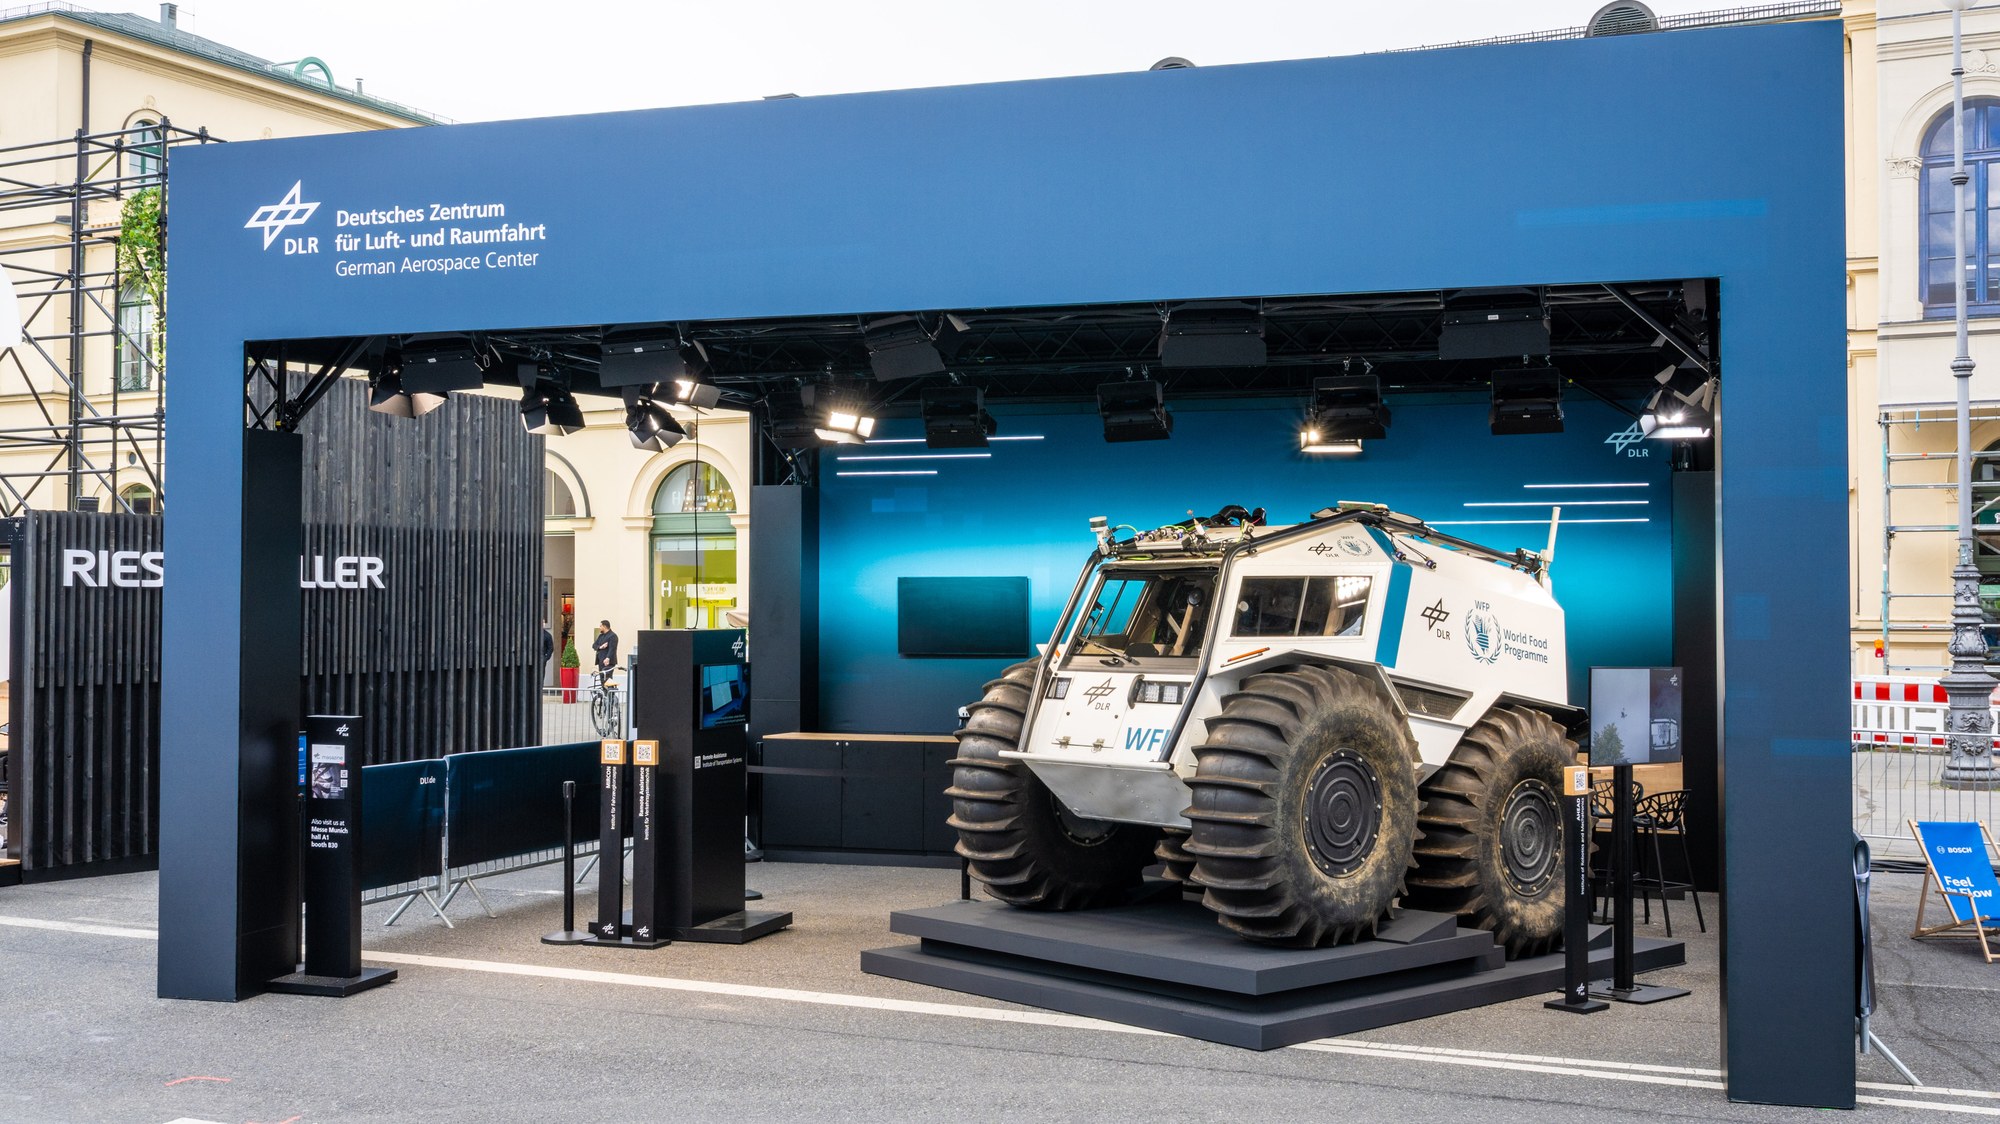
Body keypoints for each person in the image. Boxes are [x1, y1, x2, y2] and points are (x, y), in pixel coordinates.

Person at [592, 619, 619, 685]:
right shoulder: (601, 636)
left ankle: (609, 694)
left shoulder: (613, 636)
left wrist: (608, 658)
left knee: (607, 679)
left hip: (608, 662)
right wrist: (601, 647)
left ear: (605, 626)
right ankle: (603, 694)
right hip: (601, 661)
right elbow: (594, 645)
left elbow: (612, 649)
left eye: (601, 626)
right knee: (602, 679)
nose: (600, 627)